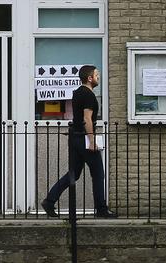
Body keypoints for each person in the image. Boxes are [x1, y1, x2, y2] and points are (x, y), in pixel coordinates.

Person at [41, 65, 117, 218]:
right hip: (84, 137)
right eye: (97, 74)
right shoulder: (88, 95)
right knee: (98, 174)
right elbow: (86, 118)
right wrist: (91, 139)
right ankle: (101, 209)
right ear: (89, 78)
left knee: (73, 174)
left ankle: (49, 201)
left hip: (75, 137)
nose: (98, 77)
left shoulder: (77, 93)